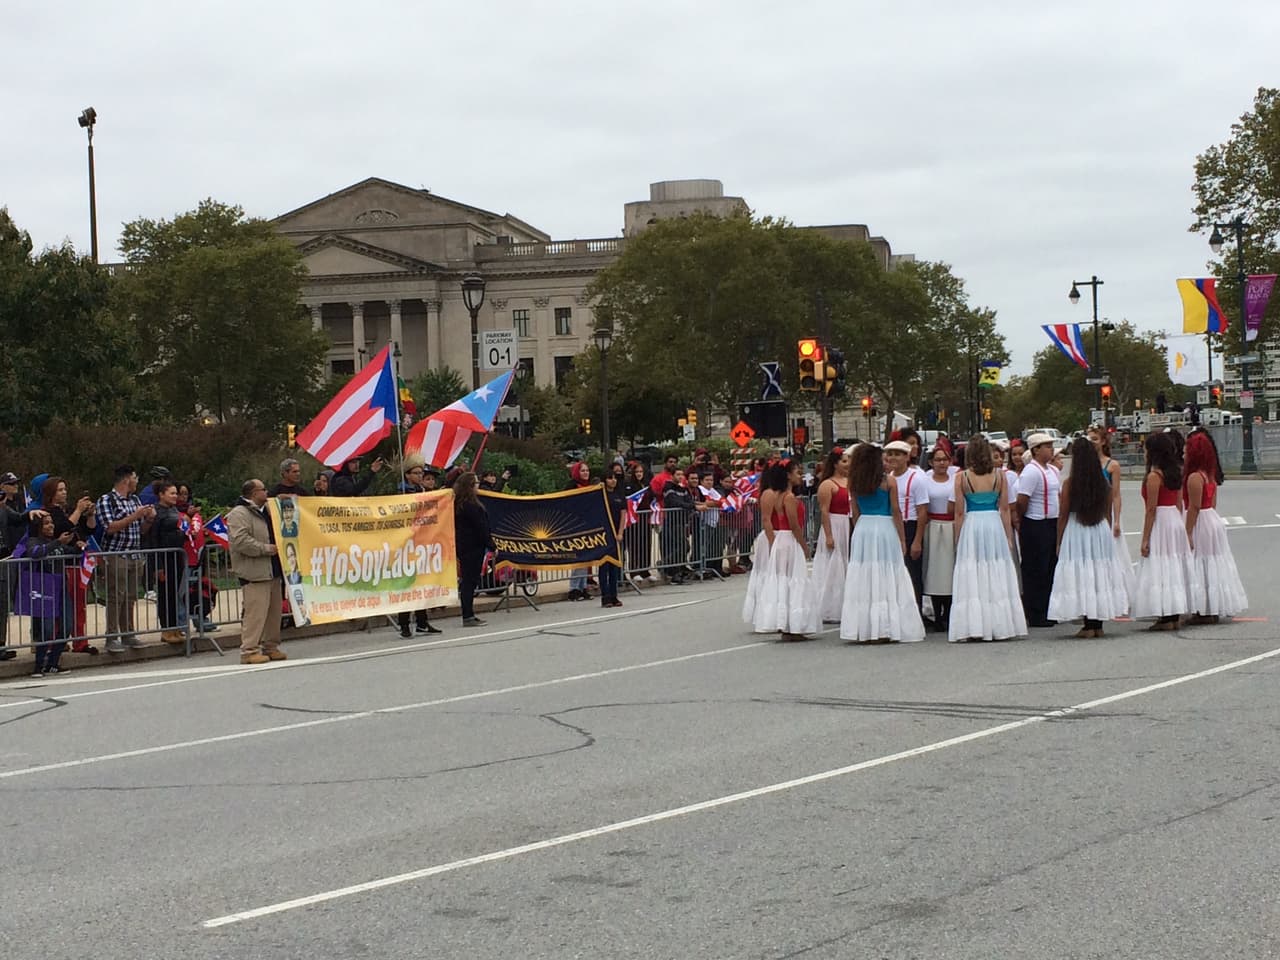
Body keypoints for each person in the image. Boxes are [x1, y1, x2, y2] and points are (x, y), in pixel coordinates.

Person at [840, 444, 925, 644]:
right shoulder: (889, 481)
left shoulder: (854, 482)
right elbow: (896, 511)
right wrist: (902, 539)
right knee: (887, 572)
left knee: (865, 574)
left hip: (864, 527)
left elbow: (855, 511)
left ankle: (864, 626)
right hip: (885, 526)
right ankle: (887, 625)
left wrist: (859, 529)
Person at [1047, 438, 1131, 637]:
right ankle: (1097, 623)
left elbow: (1064, 514)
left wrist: (1059, 539)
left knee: (1082, 572)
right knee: (1099, 572)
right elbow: (1107, 511)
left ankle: (1088, 623)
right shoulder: (1103, 483)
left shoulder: (1070, 484)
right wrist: (1108, 532)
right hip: (1099, 528)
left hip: (1078, 528)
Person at [948, 435, 1026, 643]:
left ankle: (974, 624)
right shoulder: (1000, 476)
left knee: (974, 572)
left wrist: (958, 538)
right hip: (993, 524)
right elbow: (1005, 510)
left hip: (972, 524)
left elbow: (958, 513)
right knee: (996, 570)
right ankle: (1000, 623)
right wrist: (1008, 537)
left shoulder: (961, 478)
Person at [743, 461, 816, 640]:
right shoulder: (787, 497)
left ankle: (788, 622)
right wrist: (803, 545)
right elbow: (793, 524)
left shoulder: (783, 496)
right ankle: (790, 623)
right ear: (788, 476)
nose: (800, 476)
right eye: (797, 473)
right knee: (793, 579)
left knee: (785, 580)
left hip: (783, 538)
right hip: (788, 538)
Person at [1183, 430, 1247, 624]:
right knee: (1212, 563)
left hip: (1201, 519)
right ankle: (1212, 606)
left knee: (1200, 562)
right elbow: (1212, 502)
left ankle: (1203, 609)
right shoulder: (1209, 475)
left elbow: (1194, 507)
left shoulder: (1194, 477)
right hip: (1211, 517)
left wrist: (1187, 532)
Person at [1132, 432, 1193, 631]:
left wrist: (1145, 538)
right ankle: (1173, 613)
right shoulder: (1174, 473)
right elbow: (1178, 502)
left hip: (1161, 519)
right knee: (1172, 565)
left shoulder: (1154, 476)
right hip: (1173, 519)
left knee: (1160, 565)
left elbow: (1151, 509)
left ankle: (1166, 615)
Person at [95, 465, 154, 653]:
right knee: (115, 596)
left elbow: (140, 530)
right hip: (116, 555)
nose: (137, 482)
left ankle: (128, 633)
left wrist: (148, 519)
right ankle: (111, 636)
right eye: (135, 478)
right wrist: (134, 515)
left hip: (135, 554)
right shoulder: (107, 500)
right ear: (127, 479)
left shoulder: (135, 499)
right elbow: (110, 527)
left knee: (130, 596)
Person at [227, 479, 285, 664]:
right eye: (263, 489)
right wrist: (264, 548)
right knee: (256, 613)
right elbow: (240, 541)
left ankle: (271, 646)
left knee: (274, 613)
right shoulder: (239, 514)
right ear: (253, 493)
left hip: (272, 569)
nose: (267, 492)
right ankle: (249, 650)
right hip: (254, 572)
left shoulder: (267, 510)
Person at [24, 513, 78, 675]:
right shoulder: (34, 541)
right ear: (39, 527)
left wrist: (79, 546)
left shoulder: (58, 544)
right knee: (47, 629)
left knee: (67, 625)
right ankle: (39, 664)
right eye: (46, 523)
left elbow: (71, 552)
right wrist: (57, 542)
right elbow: (34, 553)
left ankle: (53, 661)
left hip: (61, 587)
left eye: (51, 522)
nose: (51, 526)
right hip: (44, 589)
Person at [1016, 433, 1061, 628]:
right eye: (1047, 446)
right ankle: (1036, 612)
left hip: (1051, 522)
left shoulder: (1052, 470)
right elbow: (1022, 500)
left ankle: (1048, 608)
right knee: (1036, 569)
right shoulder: (1031, 472)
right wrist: (1025, 520)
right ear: (1036, 450)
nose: (1051, 449)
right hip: (1036, 523)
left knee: (1050, 566)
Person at [0, 473, 46, 660]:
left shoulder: (6, 509)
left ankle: (1, 645)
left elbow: (19, 518)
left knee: (3, 604)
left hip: (5, 558)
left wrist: (30, 514)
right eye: (10, 484)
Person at [394, 461, 441, 636]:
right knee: (407, 585)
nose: (420, 476)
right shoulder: (402, 492)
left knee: (421, 584)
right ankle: (404, 624)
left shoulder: (423, 492)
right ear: (407, 475)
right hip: (405, 543)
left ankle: (422, 621)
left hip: (422, 542)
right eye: (416, 473)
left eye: (422, 473)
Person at [884, 439, 927, 616]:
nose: (893, 457)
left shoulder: (916, 479)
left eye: (897, 454)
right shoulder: (887, 478)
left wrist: (917, 540)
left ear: (907, 457)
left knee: (912, 572)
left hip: (910, 525)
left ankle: (914, 611)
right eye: (890, 454)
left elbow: (922, 511)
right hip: (891, 527)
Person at [811, 448, 851, 624]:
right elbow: (824, 511)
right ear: (835, 464)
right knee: (833, 566)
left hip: (848, 524)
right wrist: (828, 535)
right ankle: (828, 606)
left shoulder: (851, 482)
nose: (847, 464)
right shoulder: (828, 485)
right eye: (844, 461)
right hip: (835, 524)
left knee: (846, 563)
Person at [921, 445, 957, 631]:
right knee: (934, 572)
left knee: (949, 571)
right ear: (931, 462)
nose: (941, 463)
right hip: (933, 527)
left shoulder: (956, 478)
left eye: (945, 459)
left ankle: (949, 613)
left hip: (951, 526)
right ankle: (936, 612)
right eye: (937, 460)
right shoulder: (925, 479)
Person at [453, 472, 494, 627]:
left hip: (465, 545)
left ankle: (468, 613)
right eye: (476, 483)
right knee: (469, 581)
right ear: (470, 486)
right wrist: (491, 544)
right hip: (472, 546)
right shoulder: (470, 505)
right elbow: (481, 527)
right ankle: (468, 615)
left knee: (469, 581)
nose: (478, 486)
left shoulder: (459, 503)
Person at [151, 482, 189, 644]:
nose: (175, 496)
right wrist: (157, 566)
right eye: (172, 493)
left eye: (176, 493)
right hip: (163, 557)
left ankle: (175, 627)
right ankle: (166, 628)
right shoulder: (156, 512)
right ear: (161, 494)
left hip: (177, 555)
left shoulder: (174, 510)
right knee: (165, 594)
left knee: (175, 593)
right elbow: (153, 539)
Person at [661, 466, 696, 585]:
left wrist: (689, 505)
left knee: (682, 546)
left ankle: (675, 569)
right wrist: (689, 506)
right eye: (678, 474)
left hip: (682, 521)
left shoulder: (683, 489)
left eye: (682, 474)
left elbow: (689, 501)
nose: (680, 477)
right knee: (683, 546)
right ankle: (668, 565)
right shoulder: (668, 487)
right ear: (672, 476)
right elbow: (674, 502)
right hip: (672, 521)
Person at [565, 462, 594, 599]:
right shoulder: (572, 486)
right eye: (582, 471)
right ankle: (574, 589)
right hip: (575, 526)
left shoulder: (588, 486)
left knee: (585, 559)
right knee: (578, 559)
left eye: (587, 470)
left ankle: (582, 587)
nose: (585, 473)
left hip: (587, 525)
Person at [623, 461, 654, 580]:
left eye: (641, 472)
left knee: (646, 544)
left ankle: (645, 569)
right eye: (637, 472)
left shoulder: (647, 484)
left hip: (645, 518)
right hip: (634, 518)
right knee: (634, 545)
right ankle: (634, 571)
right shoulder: (629, 485)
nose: (639, 474)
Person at [600, 472, 626, 607]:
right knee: (604, 566)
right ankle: (605, 597)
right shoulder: (601, 496)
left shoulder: (619, 495)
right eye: (610, 477)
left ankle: (614, 595)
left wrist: (620, 532)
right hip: (604, 535)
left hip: (616, 534)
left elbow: (623, 514)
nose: (613, 480)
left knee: (614, 567)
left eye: (615, 478)